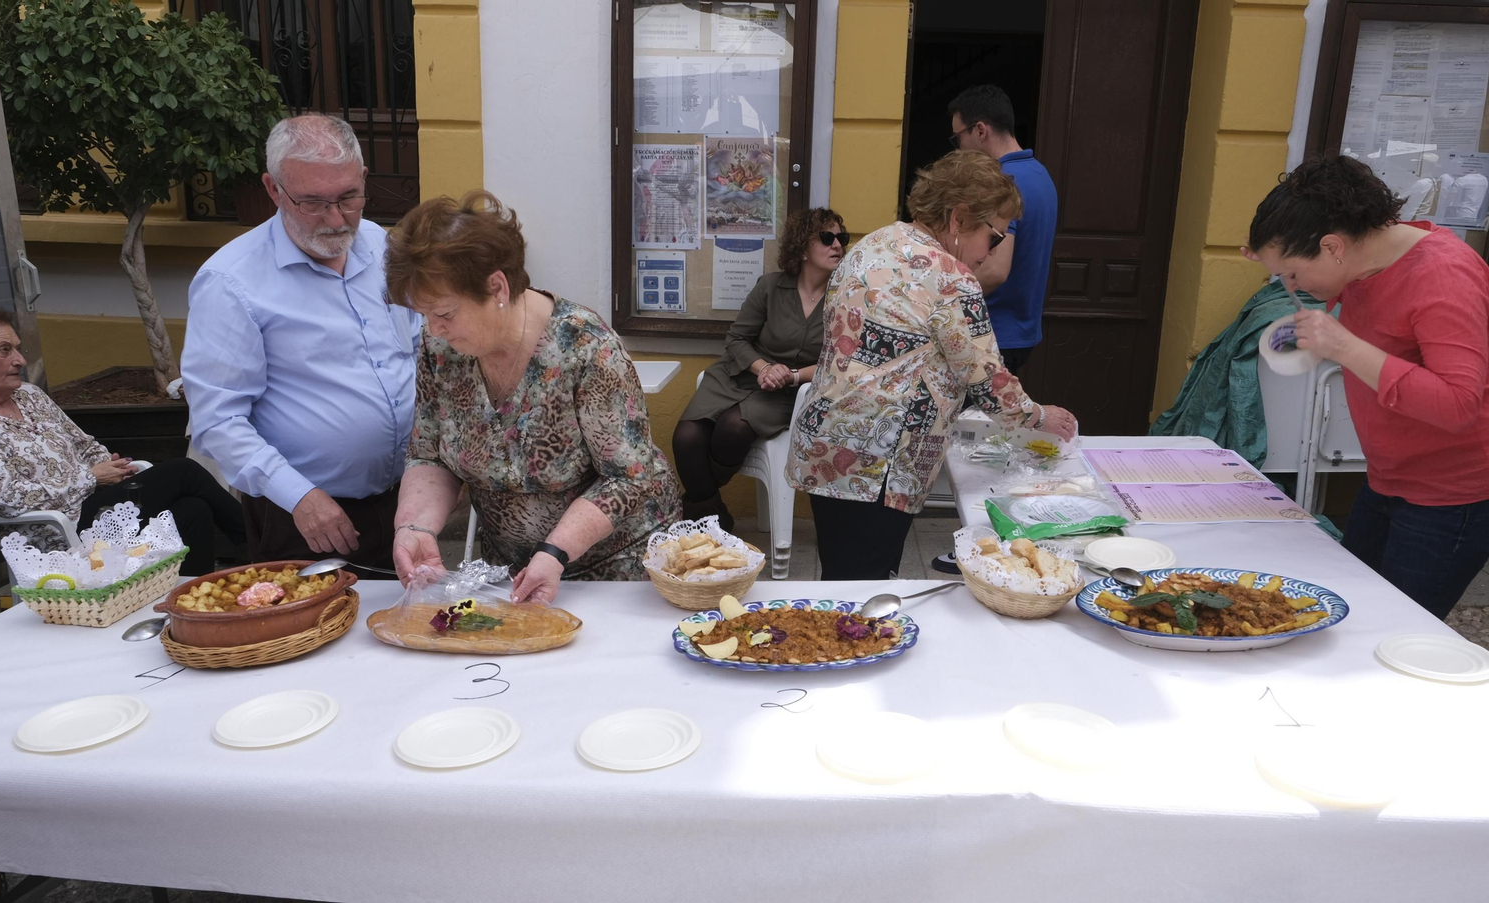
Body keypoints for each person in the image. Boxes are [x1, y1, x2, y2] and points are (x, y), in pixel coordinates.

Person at [1245, 155, 1489, 620]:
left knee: (1392, 627)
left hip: (1460, 489)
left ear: (1333, 246)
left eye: (1293, 274)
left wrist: (1343, 346)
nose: (1290, 287)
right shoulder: (1361, 259)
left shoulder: (1443, 274)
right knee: (1346, 610)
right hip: (1391, 474)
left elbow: (1458, 403)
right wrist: (1271, 252)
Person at [786, 151, 1078, 580]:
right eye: (994, 237)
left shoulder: (872, 244)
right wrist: (1039, 416)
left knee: (844, 577)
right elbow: (989, 382)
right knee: (862, 588)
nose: (992, 252)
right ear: (958, 219)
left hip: (827, 442)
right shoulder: (951, 278)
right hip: (877, 463)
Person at [385, 190, 682, 606]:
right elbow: (428, 454)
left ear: (496, 286)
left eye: (446, 313)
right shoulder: (442, 351)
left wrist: (555, 552)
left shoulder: (584, 346)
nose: (434, 330)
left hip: (617, 569)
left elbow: (629, 476)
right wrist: (414, 528)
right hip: (513, 572)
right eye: (425, 315)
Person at [183, 114, 422, 569]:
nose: (335, 219)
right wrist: (298, 496)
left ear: (363, 178)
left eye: (349, 197)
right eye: (312, 202)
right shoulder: (230, 282)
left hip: (404, 501)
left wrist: (438, 466)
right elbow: (217, 420)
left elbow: (417, 353)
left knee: (417, 614)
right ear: (274, 190)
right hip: (305, 516)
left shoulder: (382, 245)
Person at [0, 307, 244, 575]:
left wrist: (112, 468)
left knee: (192, 508)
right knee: (184, 471)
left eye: (17, 348)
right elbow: (5, 498)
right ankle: (262, 548)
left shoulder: (29, 395)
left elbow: (85, 445)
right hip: (51, 531)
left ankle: (192, 601)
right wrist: (91, 478)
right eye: (4, 350)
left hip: (96, 506)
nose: (20, 360)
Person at [673, 206, 848, 528]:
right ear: (802, 247)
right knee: (686, 437)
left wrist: (791, 376)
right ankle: (713, 512)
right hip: (739, 375)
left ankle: (699, 509)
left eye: (841, 238)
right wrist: (765, 368)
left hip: (788, 391)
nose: (837, 244)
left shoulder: (846, 298)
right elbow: (737, 338)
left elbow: (840, 361)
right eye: (827, 237)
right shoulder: (770, 286)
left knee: (733, 428)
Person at [948, 84, 1058, 375]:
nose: (958, 149)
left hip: (992, 334)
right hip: (1021, 331)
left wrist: (941, 304)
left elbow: (995, 270)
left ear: (980, 130)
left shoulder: (1001, 182)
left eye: (958, 138)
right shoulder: (1040, 174)